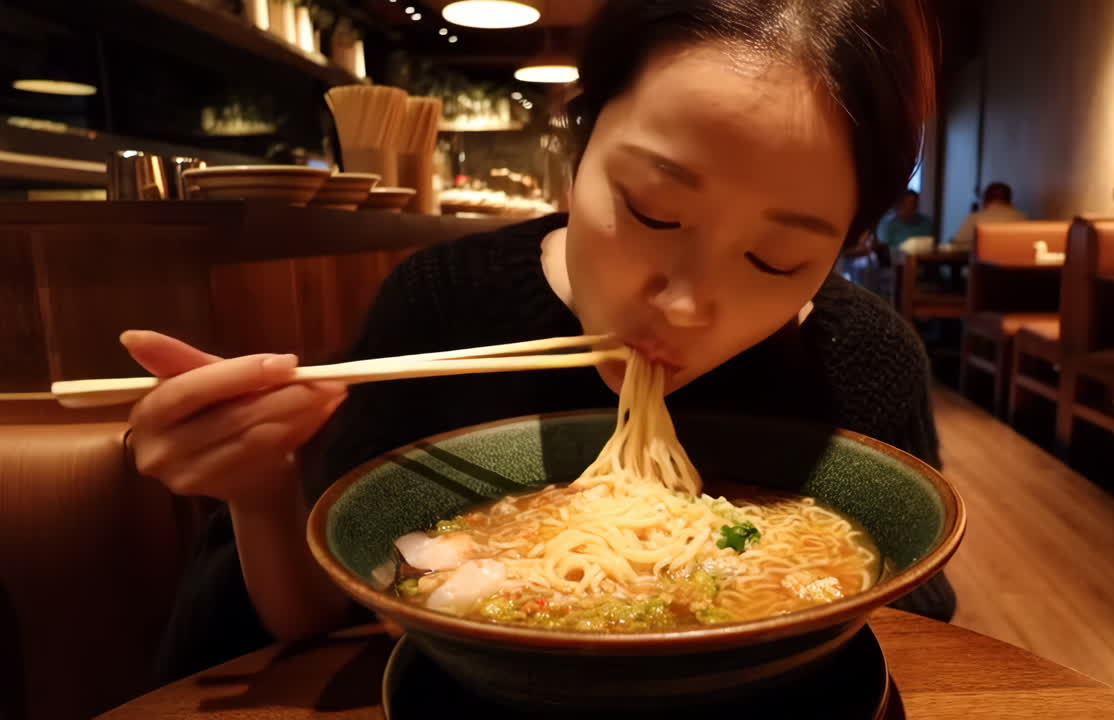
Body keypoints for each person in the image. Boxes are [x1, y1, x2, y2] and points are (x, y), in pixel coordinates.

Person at [127, 0, 956, 684]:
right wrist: (259, 493)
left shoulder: (865, 359)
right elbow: (327, 617)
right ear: (579, 147)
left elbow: (909, 628)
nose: (686, 303)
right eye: (652, 210)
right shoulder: (444, 304)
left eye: (777, 259)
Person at [948, 181, 1027, 251]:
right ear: (1010, 198)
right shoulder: (1021, 217)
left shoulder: (976, 217)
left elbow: (959, 244)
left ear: (985, 198)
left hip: (982, 266)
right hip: (1013, 265)